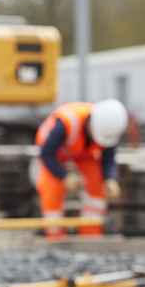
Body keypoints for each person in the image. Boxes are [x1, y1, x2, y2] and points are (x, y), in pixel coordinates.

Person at [35, 99, 129, 239]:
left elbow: (108, 159)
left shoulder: (108, 130)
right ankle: (55, 239)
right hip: (55, 152)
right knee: (52, 189)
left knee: (97, 186)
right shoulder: (68, 122)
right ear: (91, 122)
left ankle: (90, 237)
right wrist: (64, 176)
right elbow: (47, 153)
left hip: (84, 153)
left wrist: (110, 179)